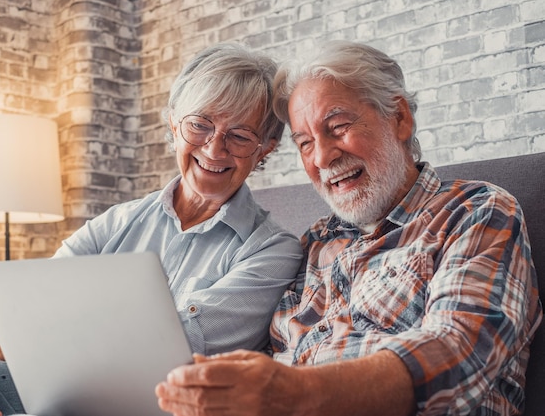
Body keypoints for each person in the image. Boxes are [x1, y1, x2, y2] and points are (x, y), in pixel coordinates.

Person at [155, 40, 543, 415]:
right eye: (305, 143)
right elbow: (270, 359)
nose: (322, 157)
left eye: (338, 127)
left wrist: (297, 395)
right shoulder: (316, 243)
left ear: (400, 118)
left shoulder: (473, 211)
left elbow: (459, 350)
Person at [0, 43, 303, 416]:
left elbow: (165, 351)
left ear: (266, 147)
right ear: (173, 122)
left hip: (154, 406)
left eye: (239, 136)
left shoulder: (272, 250)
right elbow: (24, 306)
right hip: (52, 392)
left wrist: (10, 349)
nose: (214, 149)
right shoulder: (118, 221)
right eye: (200, 124)